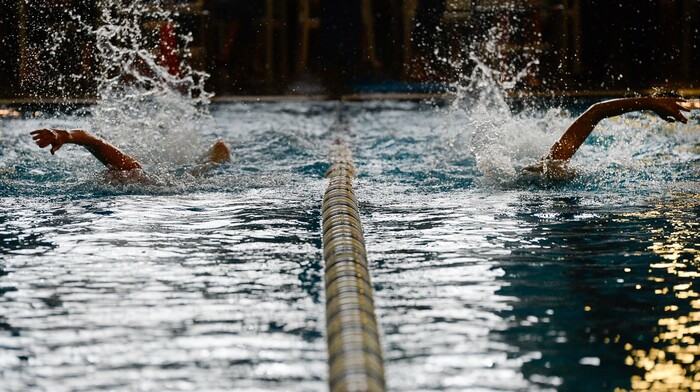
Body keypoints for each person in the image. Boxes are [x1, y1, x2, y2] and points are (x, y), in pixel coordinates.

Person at [523, 97, 696, 176]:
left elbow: (596, 112)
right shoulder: (547, 169)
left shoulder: (548, 166)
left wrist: (652, 103)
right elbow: (596, 111)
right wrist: (652, 103)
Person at [30, 128, 231, 179]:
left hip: (168, 184)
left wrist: (64, 135)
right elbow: (94, 142)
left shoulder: (132, 171)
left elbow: (94, 141)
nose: (108, 173)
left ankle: (218, 157)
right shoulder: (131, 175)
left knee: (200, 172)